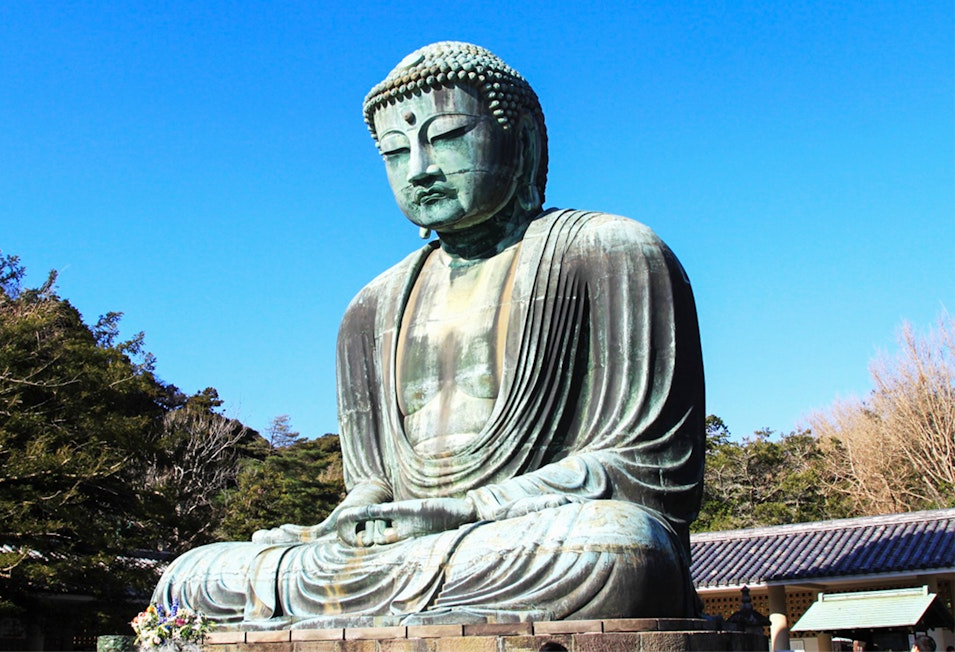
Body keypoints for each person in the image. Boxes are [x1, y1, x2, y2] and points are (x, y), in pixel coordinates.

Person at [152, 41, 705, 629]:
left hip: (528, 534)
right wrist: (348, 522)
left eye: (445, 137)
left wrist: (466, 509)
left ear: (523, 143)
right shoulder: (370, 309)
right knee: (190, 576)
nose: (420, 169)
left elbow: (651, 471)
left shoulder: (610, 252)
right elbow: (373, 481)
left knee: (619, 549)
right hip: (410, 552)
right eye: (395, 152)